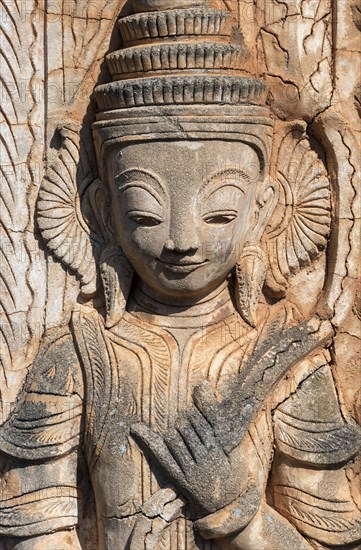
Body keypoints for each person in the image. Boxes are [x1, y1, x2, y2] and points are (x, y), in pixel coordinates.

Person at [1, 1, 360, 548]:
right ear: (101, 211)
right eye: (145, 212)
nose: (182, 240)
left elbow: (330, 540)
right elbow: (33, 534)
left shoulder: (288, 363)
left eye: (219, 212)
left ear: (262, 209)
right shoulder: (76, 358)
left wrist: (237, 511)